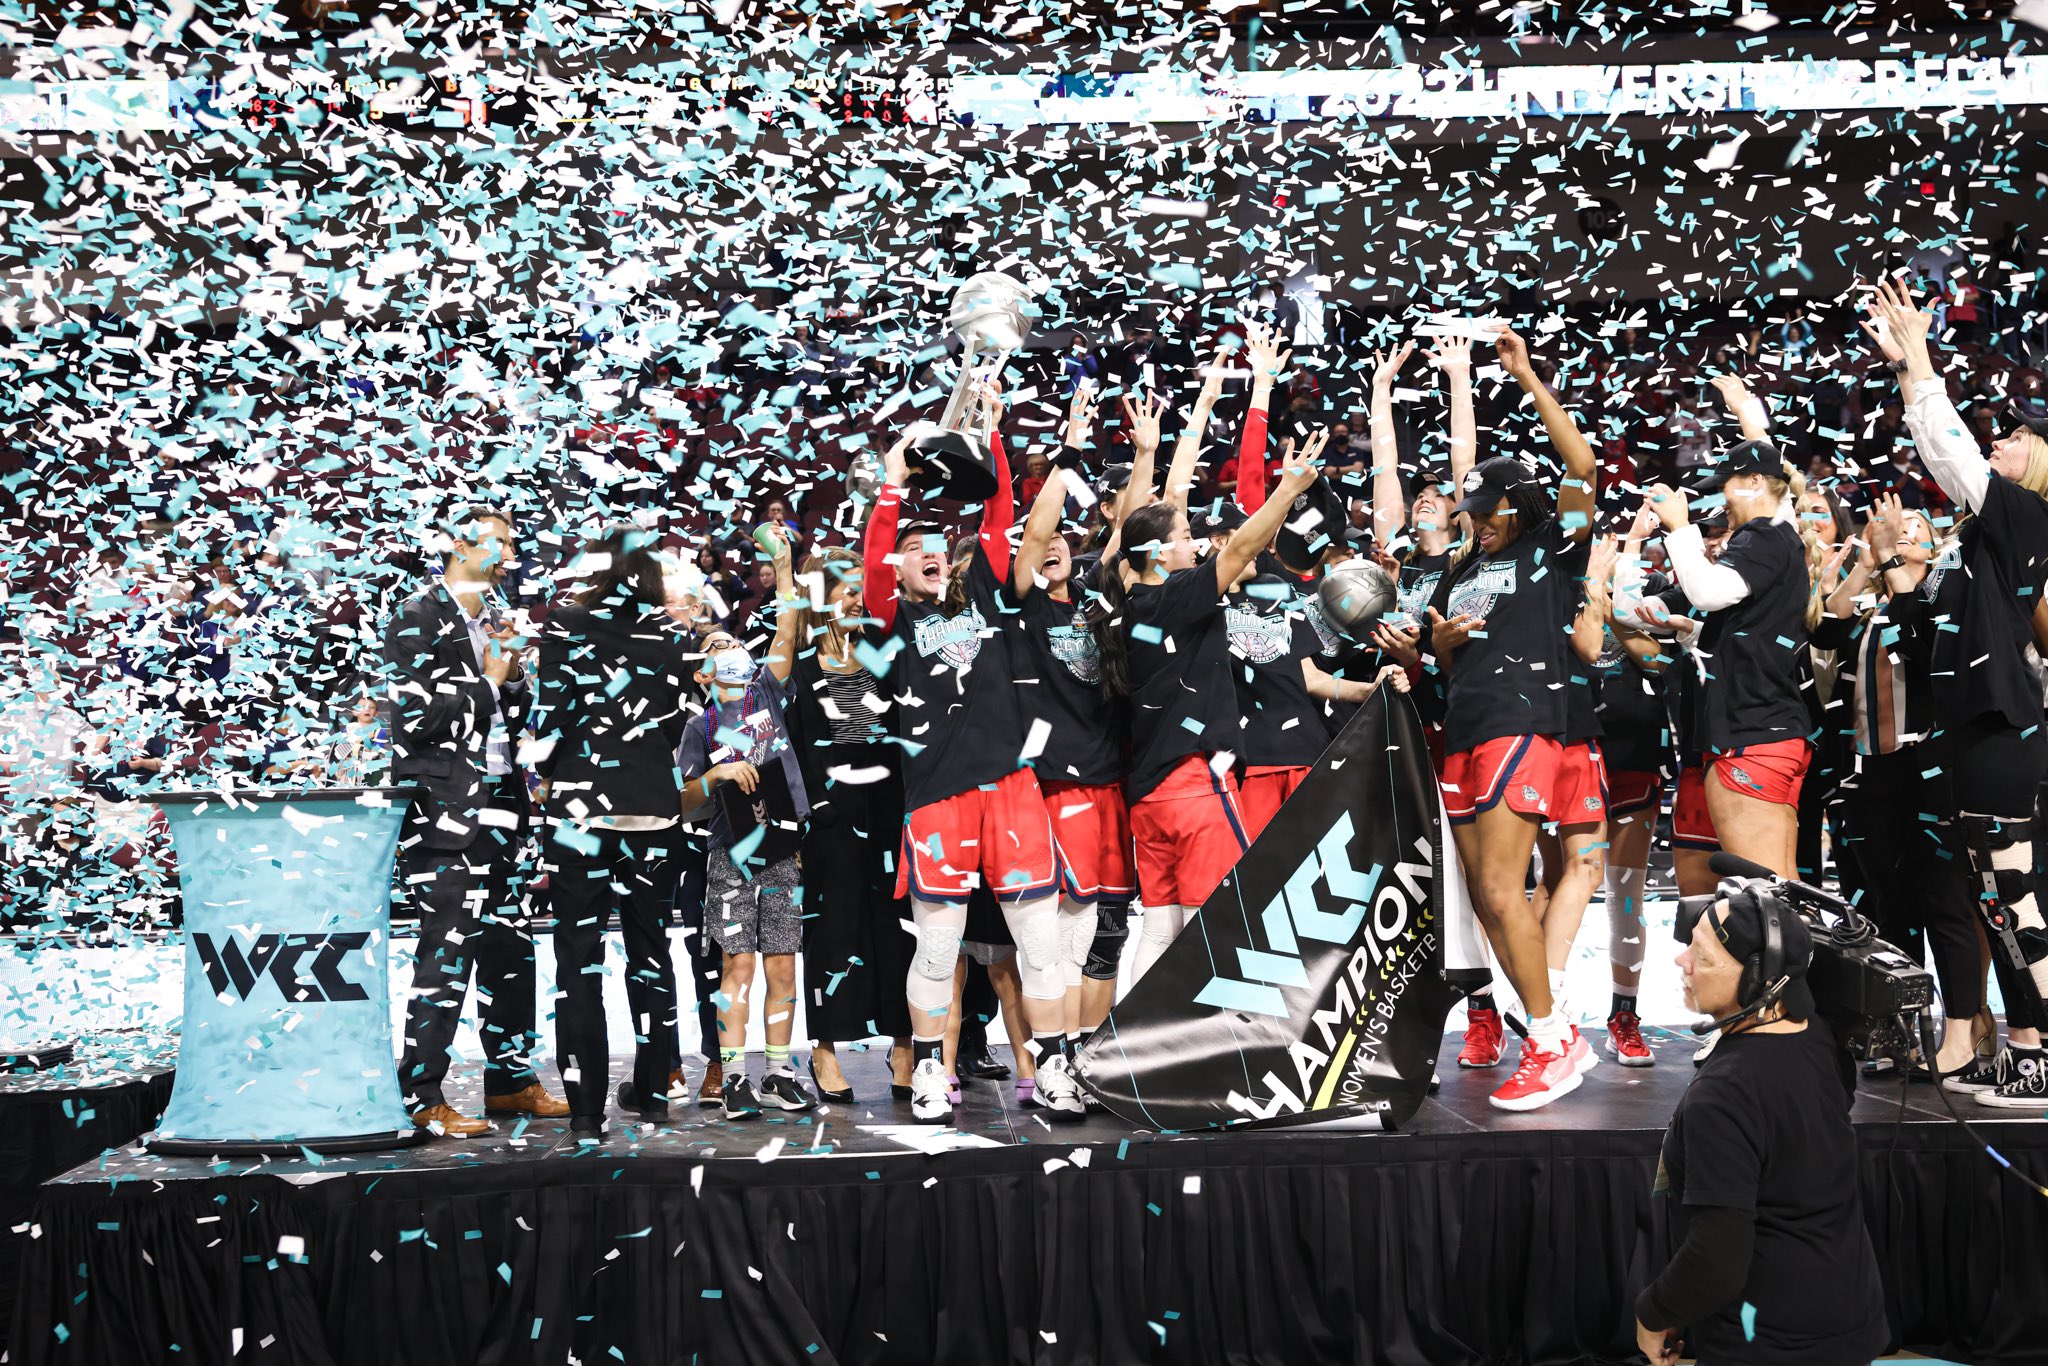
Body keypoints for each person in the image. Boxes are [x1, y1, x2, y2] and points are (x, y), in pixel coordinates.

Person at [860, 384, 1066, 1125]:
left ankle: (1056, 1069)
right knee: (938, 950)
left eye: (935, 549)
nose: (929, 556)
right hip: (938, 797)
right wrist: (892, 482)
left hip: (1011, 788)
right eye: (913, 551)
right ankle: (926, 1071)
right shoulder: (890, 619)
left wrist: (996, 435)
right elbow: (875, 557)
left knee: (1039, 946)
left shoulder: (983, 591)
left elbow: (1000, 515)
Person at [1866, 277, 2048, 1106]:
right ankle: (2022, 1046)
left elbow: (1953, 457)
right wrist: (1909, 371)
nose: (2002, 441)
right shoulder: (1980, 535)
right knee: (1993, 899)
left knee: (2015, 897)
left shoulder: (2026, 518)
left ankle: (2039, 1049)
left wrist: (1920, 360)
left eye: (2017, 437)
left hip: (2003, 734)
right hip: (1968, 735)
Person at [1094, 343, 1330, 979]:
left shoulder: (1127, 604)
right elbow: (1243, 546)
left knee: (1160, 929)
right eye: (1183, 538)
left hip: (1149, 794)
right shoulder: (1174, 597)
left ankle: (1138, 1040)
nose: (1194, 543)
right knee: (1220, 924)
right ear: (1157, 555)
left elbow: (1141, 529)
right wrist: (1288, 491)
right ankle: (1219, 1039)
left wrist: (1151, 454)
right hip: (1197, 785)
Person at [1423, 326, 1599, 1112]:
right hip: (1464, 729)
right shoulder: (1461, 568)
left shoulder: (1554, 547)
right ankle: (1550, 1031)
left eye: (1487, 509)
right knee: (1489, 899)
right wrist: (1437, 646)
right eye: (1470, 511)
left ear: (1518, 503)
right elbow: (1445, 660)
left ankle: (1552, 1042)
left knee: (1503, 887)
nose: (1477, 520)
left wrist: (1528, 380)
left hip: (1523, 724)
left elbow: (1582, 468)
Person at [1635, 888, 1887, 1366]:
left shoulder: (1723, 1095)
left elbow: (1717, 1257)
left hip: (1768, 1343)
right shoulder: (1817, 1035)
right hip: (1852, 1318)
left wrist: (1654, 1312)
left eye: (1702, 956)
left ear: (1757, 979)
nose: (1682, 961)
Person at [382, 505, 566, 1138]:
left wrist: (514, 683)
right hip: (444, 813)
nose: (510, 555)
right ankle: (421, 1094)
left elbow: (508, 719)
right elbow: (414, 721)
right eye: (500, 543)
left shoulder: (495, 618)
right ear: (459, 545)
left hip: (503, 806)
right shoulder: (416, 615)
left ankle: (511, 1081)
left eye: (512, 544)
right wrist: (491, 681)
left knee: (511, 949)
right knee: (446, 953)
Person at [1007, 385, 1147, 1116]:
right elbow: (1034, 538)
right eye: (1047, 537)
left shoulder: (1097, 601)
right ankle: (1053, 1062)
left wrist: (1145, 453)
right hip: (1054, 787)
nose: (1056, 542)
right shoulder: (1023, 606)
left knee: (1107, 931)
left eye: (1068, 536)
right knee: (1060, 929)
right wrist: (1065, 457)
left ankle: (1091, 1057)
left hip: (1110, 782)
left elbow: (1132, 529)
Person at [531, 525, 696, 1143]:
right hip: (652, 812)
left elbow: (550, 717)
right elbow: (679, 725)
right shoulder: (671, 633)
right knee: (651, 953)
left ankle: (584, 1110)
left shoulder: (566, 623)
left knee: (579, 961)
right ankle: (652, 1092)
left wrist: (546, 772)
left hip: (581, 813)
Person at [1817, 494, 1987, 1079]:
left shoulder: (1943, 596)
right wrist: (1867, 562)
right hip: (1869, 770)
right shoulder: (1872, 604)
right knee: (1888, 908)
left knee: (1945, 904)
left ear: (1935, 546)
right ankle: (1902, 1032)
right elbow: (1826, 630)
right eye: (1891, 527)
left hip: (1930, 768)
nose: (1899, 532)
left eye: (1914, 527)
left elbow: (1924, 651)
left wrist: (1895, 566)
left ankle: (1961, 1032)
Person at [677, 529, 813, 1119]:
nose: (729, 649)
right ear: (703, 675)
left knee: (783, 964)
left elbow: (786, 629)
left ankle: (779, 1072)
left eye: (733, 641)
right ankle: (734, 1076)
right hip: (730, 856)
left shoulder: (766, 695)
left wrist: (782, 567)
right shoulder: (698, 727)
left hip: (782, 853)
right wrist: (718, 775)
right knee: (739, 965)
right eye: (716, 648)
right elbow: (684, 802)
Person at [1644, 436, 1811, 881]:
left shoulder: (1764, 534)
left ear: (1755, 482)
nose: (1721, 499)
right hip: (1770, 729)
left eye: (1726, 486)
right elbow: (1753, 632)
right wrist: (1693, 631)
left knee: (1761, 891)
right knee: (1781, 888)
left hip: (1750, 731)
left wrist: (1679, 528)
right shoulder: (1780, 536)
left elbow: (1708, 592)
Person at [784, 546, 914, 1103]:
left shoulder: (884, 654)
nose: (856, 597)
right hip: (828, 818)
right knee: (832, 932)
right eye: (845, 587)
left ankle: (904, 1042)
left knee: (897, 928)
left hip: (887, 810)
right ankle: (824, 1048)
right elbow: (789, 752)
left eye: (860, 587)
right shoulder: (798, 666)